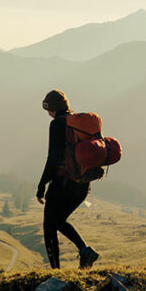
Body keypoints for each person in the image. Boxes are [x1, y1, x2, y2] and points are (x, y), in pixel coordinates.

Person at [38, 89, 100, 269]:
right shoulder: (79, 125)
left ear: (53, 108)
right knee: (58, 221)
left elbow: (53, 158)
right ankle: (85, 251)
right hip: (82, 184)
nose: (48, 114)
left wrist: (42, 186)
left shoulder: (57, 124)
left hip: (63, 184)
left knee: (49, 226)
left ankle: (55, 271)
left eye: (47, 109)